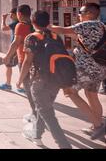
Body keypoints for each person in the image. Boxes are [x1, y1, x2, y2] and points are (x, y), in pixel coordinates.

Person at [49, 3, 106, 140]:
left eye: (80, 12)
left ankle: (99, 126)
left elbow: (62, 30)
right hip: (99, 68)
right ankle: (96, 126)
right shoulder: (102, 26)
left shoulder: (86, 24)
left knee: (70, 92)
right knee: (92, 95)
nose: (78, 16)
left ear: (89, 13)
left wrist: (47, 25)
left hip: (85, 68)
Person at [17, 10, 72, 149]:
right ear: (48, 22)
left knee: (47, 114)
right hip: (56, 80)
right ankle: (36, 134)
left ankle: (64, 145)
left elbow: (27, 62)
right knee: (43, 108)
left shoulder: (31, 37)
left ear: (33, 22)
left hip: (39, 80)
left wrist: (20, 79)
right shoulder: (55, 36)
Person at [3, 5, 34, 114]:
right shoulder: (33, 25)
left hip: (24, 59)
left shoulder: (20, 25)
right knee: (34, 86)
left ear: (19, 14)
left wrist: (7, 56)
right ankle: (38, 111)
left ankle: (35, 113)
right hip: (37, 60)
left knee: (28, 87)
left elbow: (16, 43)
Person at [0, 8, 20, 91]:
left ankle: (8, 84)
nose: (10, 16)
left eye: (11, 14)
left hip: (15, 47)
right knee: (21, 66)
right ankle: (22, 86)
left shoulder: (15, 23)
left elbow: (3, 28)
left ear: (16, 14)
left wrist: (3, 19)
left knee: (8, 64)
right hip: (22, 47)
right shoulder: (25, 23)